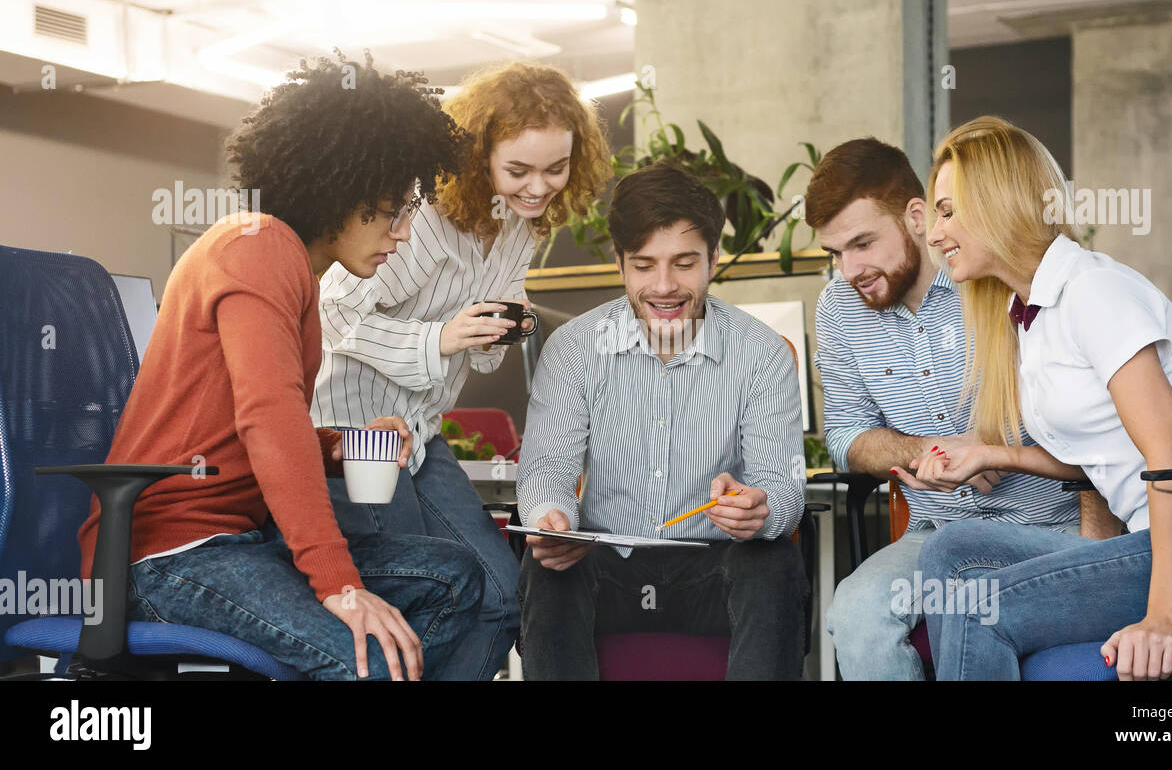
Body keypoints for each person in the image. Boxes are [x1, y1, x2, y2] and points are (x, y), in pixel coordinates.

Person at [77, 52, 484, 681]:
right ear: (340, 188)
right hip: (170, 552)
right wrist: (339, 586)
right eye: (391, 209)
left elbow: (250, 426)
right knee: (366, 657)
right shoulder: (259, 246)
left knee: (454, 578)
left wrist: (344, 445)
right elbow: (267, 418)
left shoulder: (292, 265)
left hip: (238, 543)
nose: (403, 232)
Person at [909, 115, 1172, 680]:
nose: (932, 232)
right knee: (950, 550)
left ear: (998, 201)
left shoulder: (1093, 291)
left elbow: (1170, 452)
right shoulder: (1031, 315)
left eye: (947, 211)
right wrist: (993, 454)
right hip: (1164, 533)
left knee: (977, 613)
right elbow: (1110, 450)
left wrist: (1163, 616)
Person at [309, 61, 612, 679]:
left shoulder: (515, 226)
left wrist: (501, 328)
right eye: (519, 169)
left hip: (420, 430)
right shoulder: (418, 221)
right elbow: (330, 313)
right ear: (478, 157)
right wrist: (438, 338)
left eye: (556, 169)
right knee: (416, 595)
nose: (538, 187)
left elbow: (479, 349)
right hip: (352, 435)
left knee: (503, 596)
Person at [514, 162, 808, 680]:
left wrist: (761, 509)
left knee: (774, 563)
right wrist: (550, 518)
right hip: (608, 568)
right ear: (621, 262)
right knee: (548, 569)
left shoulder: (761, 353)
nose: (665, 287)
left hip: (715, 569)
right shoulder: (573, 348)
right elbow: (548, 472)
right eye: (645, 265)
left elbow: (781, 488)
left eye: (685, 263)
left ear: (713, 259)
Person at [804, 137, 1080, 680]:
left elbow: (1094, 429)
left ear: (914, 217)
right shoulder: (838, 309)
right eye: (835, 253)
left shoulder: (995, 277)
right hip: (935, 536)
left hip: (1052, 525)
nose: (849, 269)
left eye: (863, 243)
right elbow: (844, 435)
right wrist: (923, 451)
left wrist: (990, 449)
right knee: (856, 613)